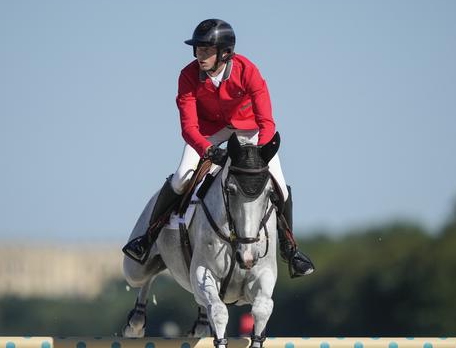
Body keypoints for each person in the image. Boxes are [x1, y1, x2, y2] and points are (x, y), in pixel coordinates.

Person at [123, 19, 314, 278]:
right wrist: (208, 150)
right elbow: (189, 128)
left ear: (225, 53)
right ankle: (148, 237)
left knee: (279, 185)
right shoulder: (188, 76)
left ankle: (290, 250)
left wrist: (260, 153)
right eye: (197, 49)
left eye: (205, 50)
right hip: (209, 131)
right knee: (181, 178)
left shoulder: (248, 71)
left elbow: (267, 122)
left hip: (249, 129)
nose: (199, 55)